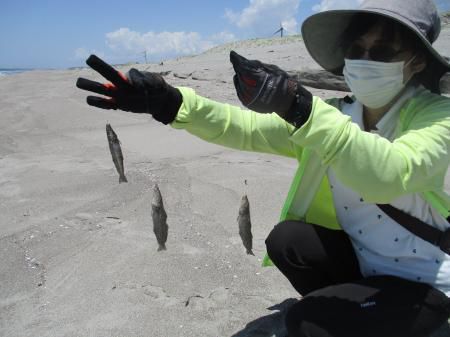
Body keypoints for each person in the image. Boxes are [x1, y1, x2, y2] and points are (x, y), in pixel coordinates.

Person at [76, 0, 450, 335]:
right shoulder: (339, 115)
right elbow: (247, 128)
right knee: (288, 241)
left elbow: (390, 173)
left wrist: (300, 106)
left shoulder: (438, 116)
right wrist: (172, 104)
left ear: (416, 61)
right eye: (357, 48)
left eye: (382, 51)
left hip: (428, 283)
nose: (365, 58)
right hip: (367, 264)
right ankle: (364, 309)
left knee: (307, 324)